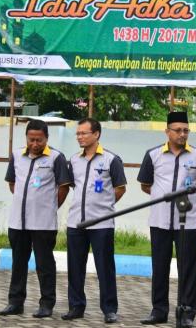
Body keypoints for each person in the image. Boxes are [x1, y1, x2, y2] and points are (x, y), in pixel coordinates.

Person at [137, 111, 196, 327]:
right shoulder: (153, 155)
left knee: (188, 268)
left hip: (188, 222)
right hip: (160, 220)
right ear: (167, 131)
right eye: (177, 130)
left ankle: (187, 313)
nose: (182, 134)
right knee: (159, 267)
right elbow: (145, 184)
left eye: (186, 130)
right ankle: (159, 311)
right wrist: (163, 198)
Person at [0, 119, 72, 318]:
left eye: (39, 140)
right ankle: (15, 303)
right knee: (18, 262)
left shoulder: (56, 157)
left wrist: (50, 207)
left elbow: (63, 186)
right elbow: (12, 183)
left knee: (44, 264)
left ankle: (47, 304)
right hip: (18, 222)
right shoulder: (16, 155)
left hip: (43, 223)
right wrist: (26, 200)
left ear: (46, 138)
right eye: (31, 140)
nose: (35, 144)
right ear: (27, 138)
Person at [62, 118, 127, 323]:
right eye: (78, 134)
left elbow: (120, 188)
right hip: (76, 222)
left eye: (84, 133)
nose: (80, 137)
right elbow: (74, 186)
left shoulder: (111, 160)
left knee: (104, 267)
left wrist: (104, 207)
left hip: (102, 224)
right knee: (75, 266)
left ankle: (109, 309)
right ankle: (76, 306)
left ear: (96, 134)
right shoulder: (74, 160)